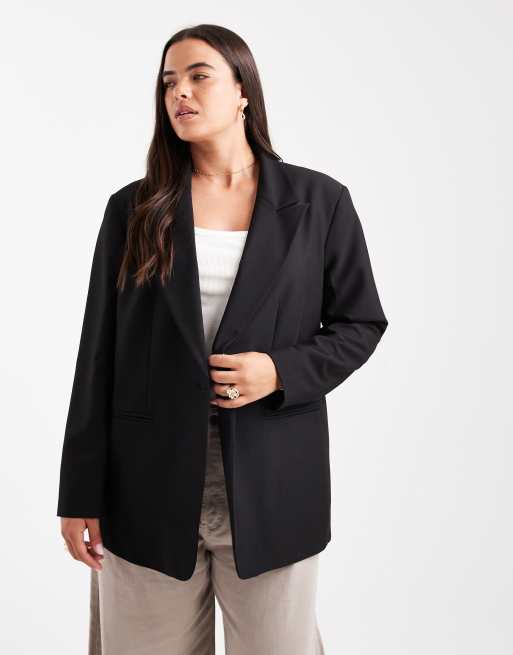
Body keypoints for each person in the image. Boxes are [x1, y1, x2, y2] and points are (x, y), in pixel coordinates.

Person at [57, 24, 388, 655]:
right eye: (168, 83)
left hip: (273, 480)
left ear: (243, 91)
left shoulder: (319, 202)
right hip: (143, 486)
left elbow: (360, 324)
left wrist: (280, 371)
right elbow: (97, 355)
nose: (179, 92)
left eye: (198, 76)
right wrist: (78, 493)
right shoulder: (134, 209)